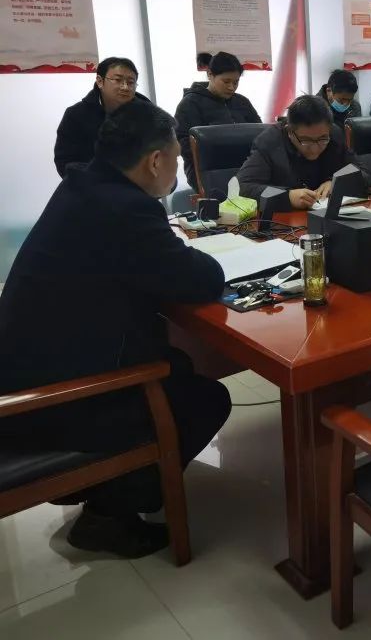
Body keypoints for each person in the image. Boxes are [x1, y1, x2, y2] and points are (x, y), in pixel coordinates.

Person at [0, 101, 231, 558]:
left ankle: (118, 486)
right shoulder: (126, 210)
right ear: (155, 161)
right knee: (205, 398)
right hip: (50, 403)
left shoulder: (83, 185)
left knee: (180, 365)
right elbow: (202, 280)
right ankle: (108, 514)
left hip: (26, 371)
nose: (178, 169)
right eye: (177, 158)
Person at [237, 94, 368, 211]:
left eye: (322, 139)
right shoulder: (269, 142)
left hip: (328, 217)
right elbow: (242, 188)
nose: (315, 148)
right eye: (306, 140)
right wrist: (287, 197)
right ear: (289, 131)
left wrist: (336, 183)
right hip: (284, 222)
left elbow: (364, 173)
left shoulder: (334, 135)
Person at [174, 51, 262, 189]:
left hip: (246, 167)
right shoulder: (190, 104)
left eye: (236, 82)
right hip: (208, 172)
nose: (231, 87)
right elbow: (184, 144)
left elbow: (260, 133)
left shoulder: (242, 102)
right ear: (210, 74)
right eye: (226, 81)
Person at [54, 57, 150, 177]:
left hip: (139, 186)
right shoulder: (76, 115)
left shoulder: (148, 113)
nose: (125, 87)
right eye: (118, 80)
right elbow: (64, 161)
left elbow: (163, 156)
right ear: (100, 81)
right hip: (93, 185)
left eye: (131, 82)